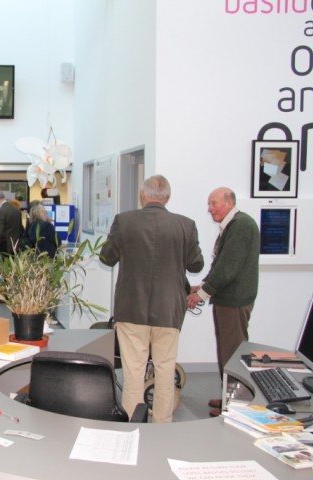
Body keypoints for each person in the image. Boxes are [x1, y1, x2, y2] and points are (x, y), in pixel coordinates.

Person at [100, 175, 204, 423]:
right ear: (167, 197)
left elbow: (106, 258)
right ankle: (162, 425)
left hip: (131, 309)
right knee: (165, 370)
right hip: (169, 310)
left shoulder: (124, 222)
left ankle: (132, 425)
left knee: (133, 371)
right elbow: (196, 264)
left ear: (143, 196)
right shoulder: (185, 225)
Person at [186, 187, 260, 416]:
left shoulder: (241, 226)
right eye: (209, 204)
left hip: (234, 300)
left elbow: (228, 268)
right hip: (228, 298)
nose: (209, 209)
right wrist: (203, 284)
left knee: (233, 350)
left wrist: (202, 293)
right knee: (227, 349)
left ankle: (236, 405)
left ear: (229, 202)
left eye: (214, 203)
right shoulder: (233, 225)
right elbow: (221, 264)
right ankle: (229, 397)